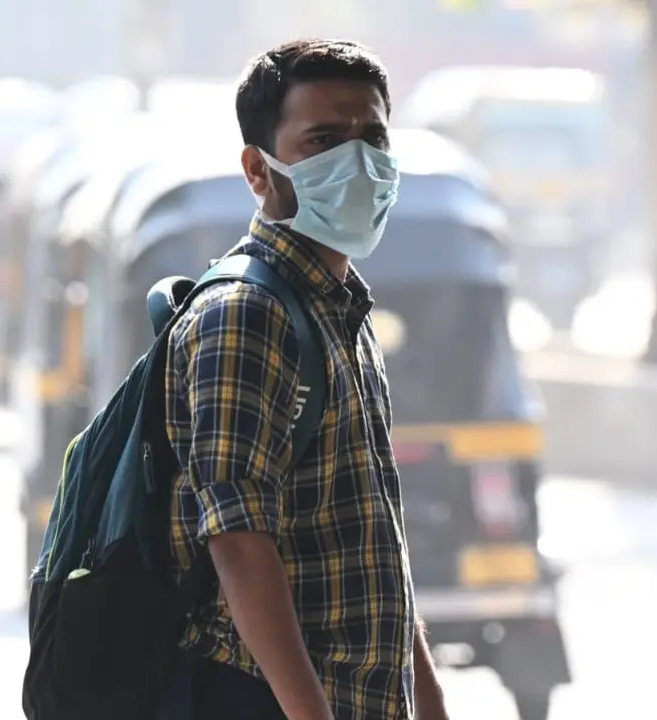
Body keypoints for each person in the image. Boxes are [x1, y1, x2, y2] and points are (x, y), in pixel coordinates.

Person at [156, 39, 449, 720]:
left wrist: (427, 703)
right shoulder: (247, 315)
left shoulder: (338, 310)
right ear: (259, 171)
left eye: (372, 136)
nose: (358, 161)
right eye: (323, 139)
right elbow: (237, 541)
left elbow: (371, 545)